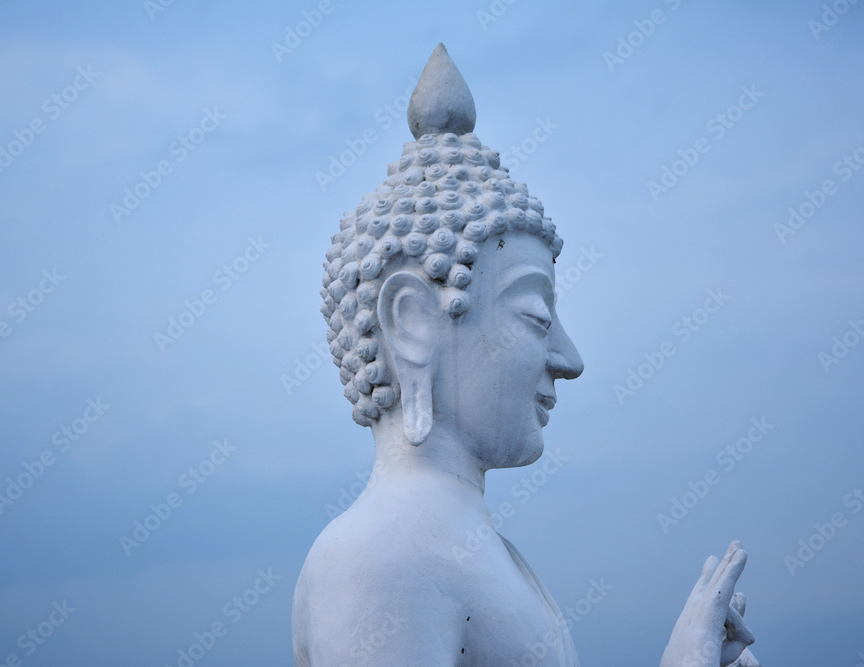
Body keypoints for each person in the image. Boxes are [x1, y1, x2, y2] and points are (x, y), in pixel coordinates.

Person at [293, 43, 758, 667]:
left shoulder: (475, 550)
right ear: (411, 324)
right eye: (536, 317)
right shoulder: (383, 557)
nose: (569, 357)